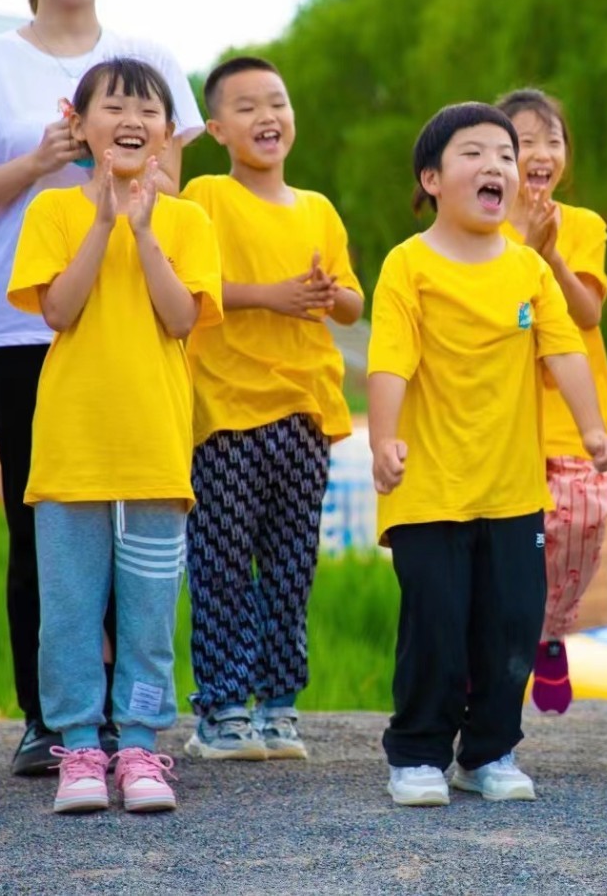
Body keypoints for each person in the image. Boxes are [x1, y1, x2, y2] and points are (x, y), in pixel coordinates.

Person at [0, 0, 204, 776]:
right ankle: (52, 726)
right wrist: (42, 162)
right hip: (26, 326)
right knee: (43, 524)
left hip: (136, 319)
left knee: (138, 540)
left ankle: (131, 732)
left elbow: (167, 171)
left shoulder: (146, 56)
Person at [368, 102, 607, 807]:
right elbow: (389, 361)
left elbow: (565, 349)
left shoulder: (529, 272)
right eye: (474, 153)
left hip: (513, 488)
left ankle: (490, 751)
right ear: (433, 178)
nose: (498, 166)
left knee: (511, 622)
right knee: (437, 622)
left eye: (504, 156)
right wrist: (383, 440)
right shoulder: (408, 265)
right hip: (429, 485)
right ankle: (417, 753)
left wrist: (592, 428)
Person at [6, 58, 221, 814]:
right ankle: (78, 750)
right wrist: (103, 221)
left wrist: (144, 229)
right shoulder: (54, 214)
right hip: (71, 450)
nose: (132, 120)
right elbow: (59, 312)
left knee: (148, 611)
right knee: (67, 610)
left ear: (167, 132)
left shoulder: (189, 218)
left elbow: (182, 319)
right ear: (82, 124)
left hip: (156, 451)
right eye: (114, 106)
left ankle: (138, 745)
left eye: (148, 110)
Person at [181, 56, 364, 762]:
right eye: (248, 106)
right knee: (221, 564)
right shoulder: (206, 196)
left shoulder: (318, 209)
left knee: (290, 568)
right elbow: (194, 286)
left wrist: (321, 293)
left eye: (278, 103)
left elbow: (351, 300)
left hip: (306, 412)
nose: (268, 117)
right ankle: (223, 709)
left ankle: (278, 707)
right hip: (226, 412)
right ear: (218, 128)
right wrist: (271, 295)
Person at [495, 88, 607, 715]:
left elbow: (588, 311)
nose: (542, 154)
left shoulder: (585, 225)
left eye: (554, 140)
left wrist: (548, 255)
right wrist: (518, 243)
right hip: (505, 418)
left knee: (580, 518)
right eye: (525, 142)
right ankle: (498, 652)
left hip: (572, 418)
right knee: (510, 541)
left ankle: (551, 631)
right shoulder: (481, 225)